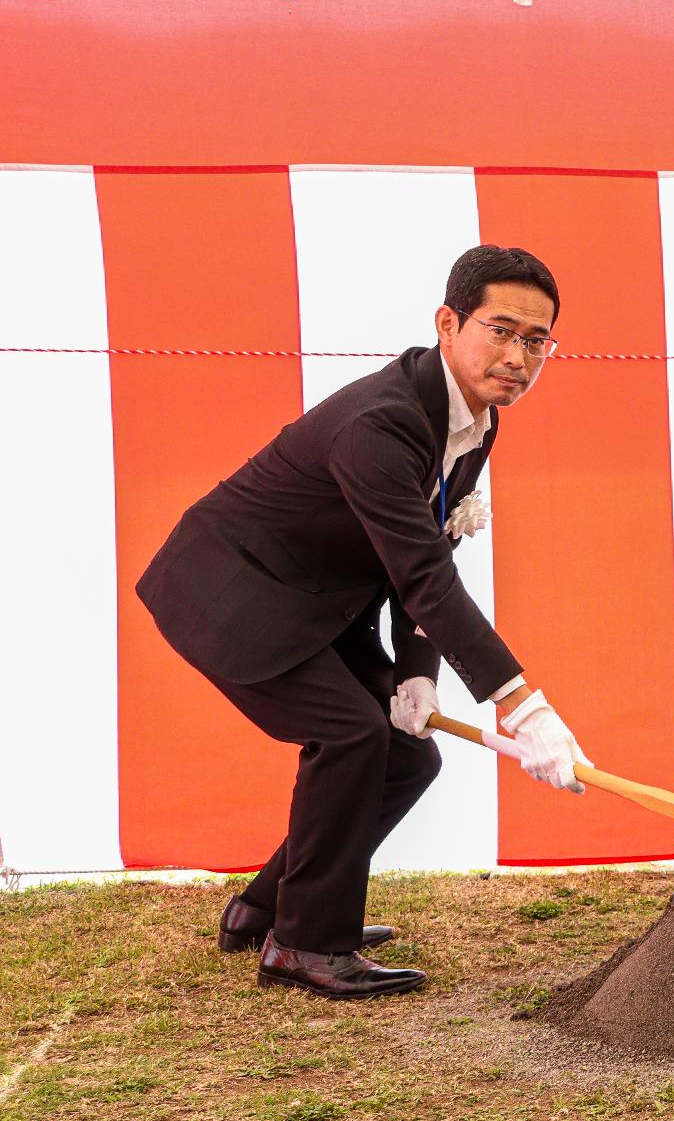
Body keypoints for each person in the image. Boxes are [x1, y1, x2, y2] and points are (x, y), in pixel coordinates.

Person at [138, 246, 591, 1000]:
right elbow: (423, 573)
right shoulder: (381, 424)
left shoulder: (473, 420)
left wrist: (416, 674)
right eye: (501, 330)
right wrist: (523, 704)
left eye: (537, 340)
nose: (518, 356)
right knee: (352, 732)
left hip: (315, 598)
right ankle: (307, 942)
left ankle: (268, 906)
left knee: (407, 755)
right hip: (229, 590)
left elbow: (422, 545)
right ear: (448, 322)